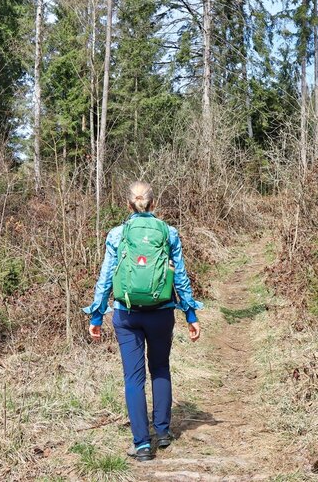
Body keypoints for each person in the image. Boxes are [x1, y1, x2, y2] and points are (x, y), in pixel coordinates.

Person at [83, 181, 203, 462]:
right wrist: (191, 314)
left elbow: (105, 278)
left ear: (128, 204)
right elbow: (181, 277)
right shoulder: (168, 232)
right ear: (153, 203)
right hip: (161, 312)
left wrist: (97, 314)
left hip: (126, 314)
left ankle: (141, 445)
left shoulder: (117, 234)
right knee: (160, 367)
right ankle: (162, 432)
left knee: (133, 378)